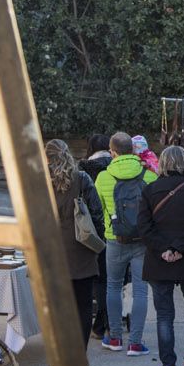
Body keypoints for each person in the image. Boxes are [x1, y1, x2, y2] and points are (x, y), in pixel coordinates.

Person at [141, 145, 184, 366]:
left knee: (164, 315)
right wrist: (179, 248)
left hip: (159, 261)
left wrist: (165, 250)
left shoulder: (149, 190)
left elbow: (144, 228)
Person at [95, 131, 158, 356]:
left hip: (115, 239)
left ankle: (114, 338)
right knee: (141, 291)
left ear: (112, 152)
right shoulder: (149, 175)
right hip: (142, 241)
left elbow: (100, 209)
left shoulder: (103, 177)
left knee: (113, 286)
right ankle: (135, 342)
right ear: (133, 149)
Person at [46, 139, 105, 352]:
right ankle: (80, 359)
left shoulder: (40, 184)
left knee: (57, 311)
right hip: (81, 250)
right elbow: (97, 215)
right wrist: (99, 243)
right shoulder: (82, 180)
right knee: (83, 307)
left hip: (53, 253)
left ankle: (58, 362)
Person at [78, 134, 114, 339]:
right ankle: (107, 324)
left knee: (93, 280)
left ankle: (96, 326)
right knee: (111, 281)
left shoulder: (83, 170)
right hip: (115, 230)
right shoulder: (115, 167)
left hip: (86, 231)